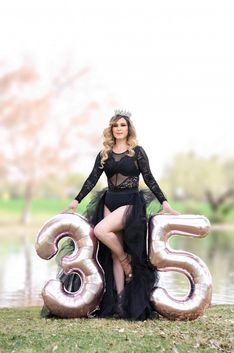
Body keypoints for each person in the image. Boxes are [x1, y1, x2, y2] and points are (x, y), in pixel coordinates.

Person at [62, 110, 178, 320]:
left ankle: (127, 262)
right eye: (115, 125)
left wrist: (164, 202)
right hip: (109, 201)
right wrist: (76, 201)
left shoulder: (137, 152)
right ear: (111, 129)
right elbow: (91, 179)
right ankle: (120, 302)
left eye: (123, 125)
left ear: (128, 129)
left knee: (100, 230)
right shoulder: (104, 154)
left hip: (130, 202)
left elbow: (149, 178)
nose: (119, 128)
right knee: (114, 252)